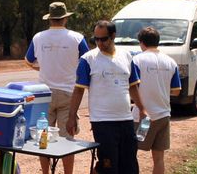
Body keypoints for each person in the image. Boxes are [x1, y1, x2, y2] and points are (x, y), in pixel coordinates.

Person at [67, 20, 147, 174]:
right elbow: (78, 91)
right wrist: (71, 117)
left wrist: (142, 108)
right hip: (102, 121)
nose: (99, 43)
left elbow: (133, 87)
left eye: (103, 39)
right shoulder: (88, 59)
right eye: (96, 39)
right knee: (108, 165)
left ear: (113, 36)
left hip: (125, 120)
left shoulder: (127, 56)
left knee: (129, 164)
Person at [25, 2, 89, 174]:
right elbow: (88, 61)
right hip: (69, 93)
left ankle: (46, 172)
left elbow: (29, 60)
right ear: (66, 18)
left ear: (50, 19)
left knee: (43, 137)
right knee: (67, 140)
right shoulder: (77, 38)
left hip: (44, 93)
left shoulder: (38, 37)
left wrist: (42, 68)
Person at [132, 27, 181, 174]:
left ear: (141, 43)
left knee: (132, 152)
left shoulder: (137, 60)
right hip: (163, 116)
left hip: (143, 118)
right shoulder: (171, 62)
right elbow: (177, 90)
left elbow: (132, 86)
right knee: (159, 158)